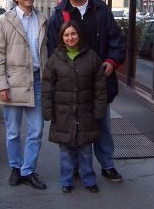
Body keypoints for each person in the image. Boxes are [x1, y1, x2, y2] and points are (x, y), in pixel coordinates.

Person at [47, 0, 126, 182]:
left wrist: (111, 62)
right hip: (70, 84)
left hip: (98, 82)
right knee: (72, 126)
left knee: (102, 126)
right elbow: (53, 50)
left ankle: (107, 165)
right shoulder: (58, 14)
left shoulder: (101, 10)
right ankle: (73, 168)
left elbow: (116, 40)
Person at [0, 0, 48, 190]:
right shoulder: (5, 21)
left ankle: (28, 170)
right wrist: (1, 85)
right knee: (13, 131)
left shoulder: (42, 19)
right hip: (12, 84)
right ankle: (15, 167)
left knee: (36, 130)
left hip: (37, 82)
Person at [42, 20, 107, 193]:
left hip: (85, 113)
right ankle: (67, 181)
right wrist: (47, 110)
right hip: (63, 114)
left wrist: (99, 110)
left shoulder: (92, 57)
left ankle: (89, 180)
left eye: (73, 34)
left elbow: (100, 87)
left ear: (79, 35)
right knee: (65, 151)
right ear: (62, 38)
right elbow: (47, 87)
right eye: (66, 35)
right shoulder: (54, 60)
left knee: (86, 150)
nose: (70, 38)